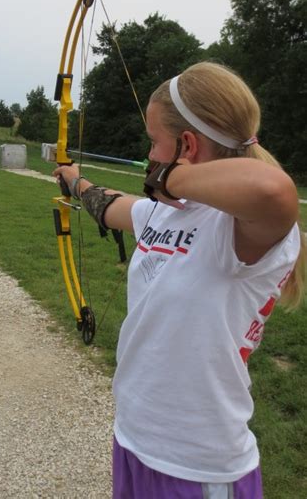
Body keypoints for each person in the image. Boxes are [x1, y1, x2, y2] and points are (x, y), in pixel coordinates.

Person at [53, 62, 304, 499]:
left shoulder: (240, 230)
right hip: (136, 438)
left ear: (187, 144)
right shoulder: (167, 212)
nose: (150, 156)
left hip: (197, 465)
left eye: (154, 143)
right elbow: (111, 205)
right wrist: (75, 182)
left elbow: (274, 191)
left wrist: (171, 177)